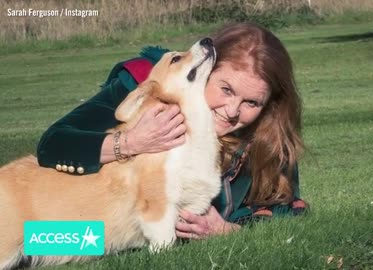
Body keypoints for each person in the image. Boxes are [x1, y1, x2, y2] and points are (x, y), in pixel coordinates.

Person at [36, 22, 308, 240]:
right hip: (88, 222)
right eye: (226, 89)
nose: (232, 110)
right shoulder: (148, 83)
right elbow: (53, 144)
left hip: (122, 238)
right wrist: (130, 142)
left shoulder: (269, 134)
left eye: (252, 102)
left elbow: (287, 210)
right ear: (205, 67)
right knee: (39, 242)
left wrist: (229, 230)